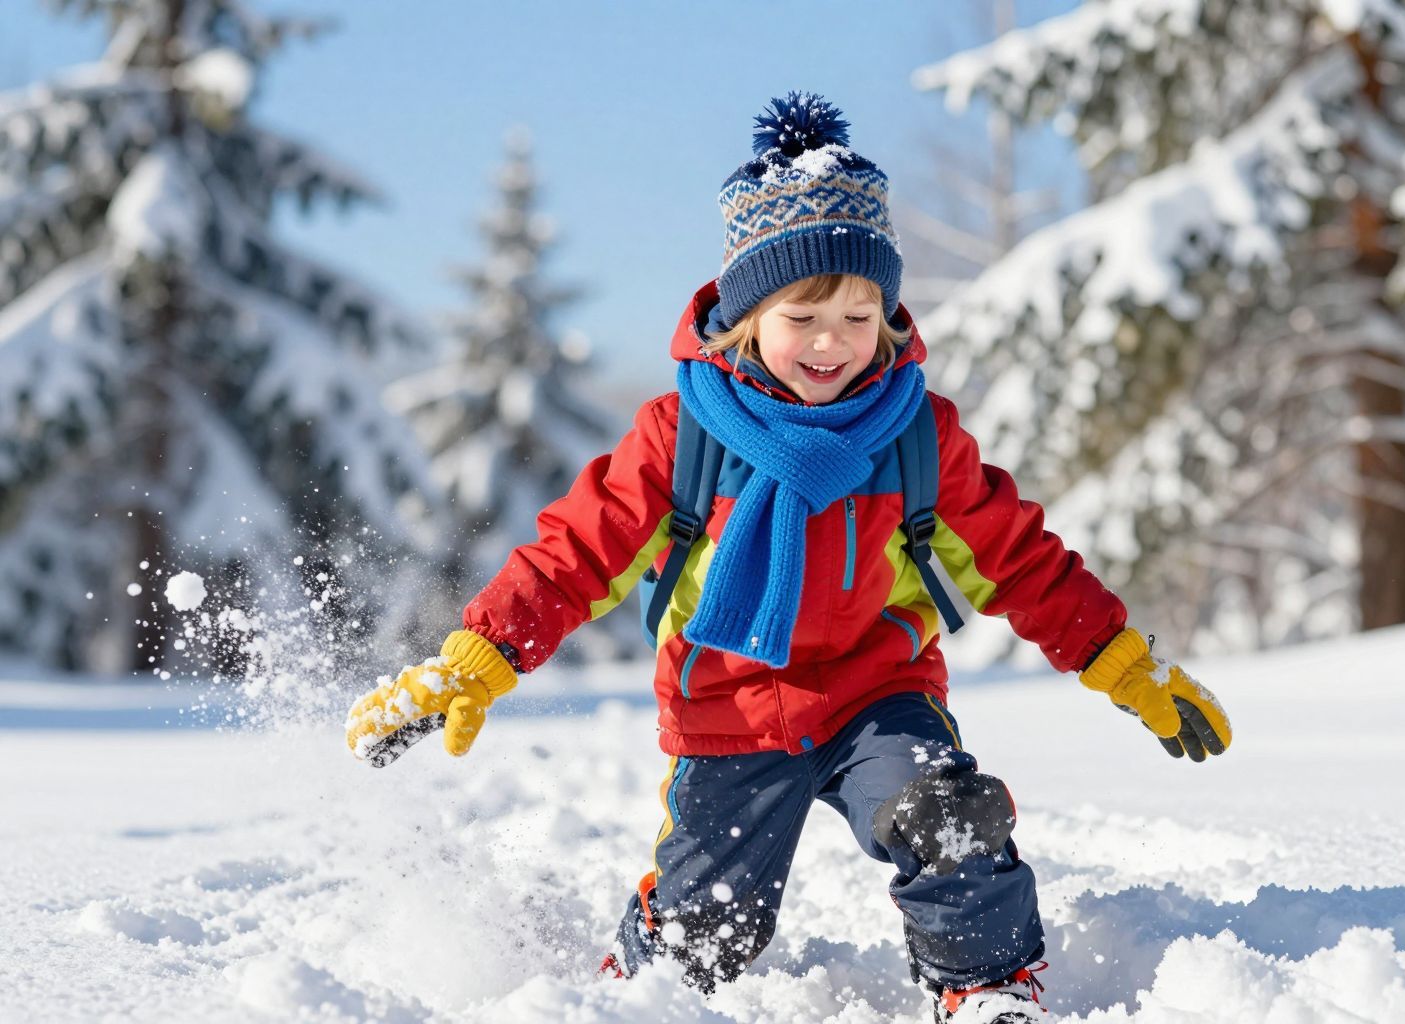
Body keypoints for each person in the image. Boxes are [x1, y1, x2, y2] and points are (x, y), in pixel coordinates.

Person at [345, 92, 1232, 1024]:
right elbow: (576, 553)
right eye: (802, 313)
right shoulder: (681, 436)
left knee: (951, 816)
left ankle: (987, 988)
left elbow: (1022, 560)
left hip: (876, 695)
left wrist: (1121, 662)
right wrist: (476, 659)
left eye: (860, 315)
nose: (832, 343)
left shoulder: (915, 436)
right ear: (744, 316)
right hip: (727, 705)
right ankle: (642, 984)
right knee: (709, 935)